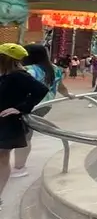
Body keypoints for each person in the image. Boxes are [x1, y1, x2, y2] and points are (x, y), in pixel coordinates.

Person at [0, 44, 49, 209]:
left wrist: (21, 108)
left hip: (7, 123)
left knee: (2, 158)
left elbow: (41, 90)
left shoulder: (19, 76)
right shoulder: (5, 75)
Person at [14, 44, 74, 178]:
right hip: (45, 105)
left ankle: (19, 167)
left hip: (28, 105)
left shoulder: (29, 70)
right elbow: (61, 87)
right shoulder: (55, 69)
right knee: (25, 134)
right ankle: (19, 166)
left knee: (23, 135)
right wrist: (68, 95)